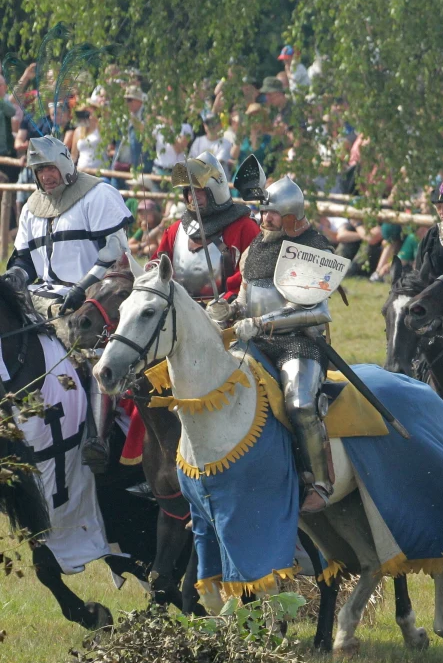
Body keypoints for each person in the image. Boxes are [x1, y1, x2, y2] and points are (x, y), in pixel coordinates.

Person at [206, 174, 335, 513]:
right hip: (254, 342)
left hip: (298, 344)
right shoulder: (257, 248)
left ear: (291, 212)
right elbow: (247, 296)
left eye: (273, 213)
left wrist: (262, 322)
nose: (266, 219)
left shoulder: (312, 246)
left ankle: (321, 484)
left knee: (300, 404)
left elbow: (318, 312)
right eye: (263, 212)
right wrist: (229, 308)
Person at [5, 135, 133, 466]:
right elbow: (23, 260)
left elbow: (114, 250)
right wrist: (15, 277)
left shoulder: (98, 195)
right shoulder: (32, 208)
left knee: (91, 355)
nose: (45, 176)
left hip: (95, 297)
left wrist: (84, 286)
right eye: (38, 170)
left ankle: (97, 436)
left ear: (64, 164)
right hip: (40, 298)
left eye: (49, 168)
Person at [154, 152, 258, 302]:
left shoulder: (244, 227)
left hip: (227, 317)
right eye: (189, 191)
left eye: (199, 190)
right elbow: (158, 268)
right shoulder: (176, 231)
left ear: (215, 190)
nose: (193, 197)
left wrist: (229, 302)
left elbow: (251, 279)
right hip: (180, 314)